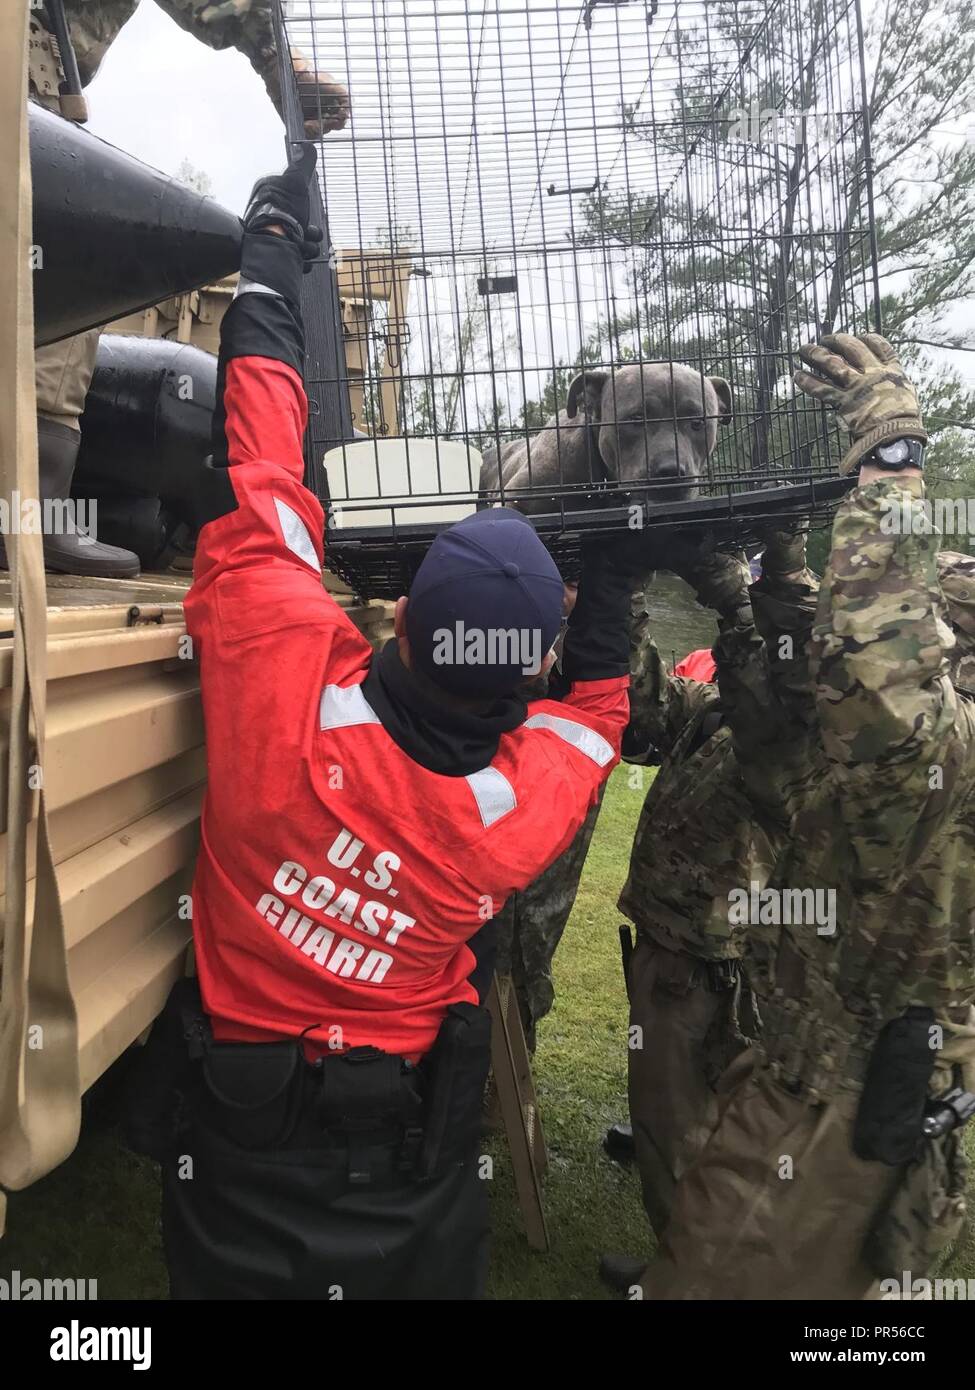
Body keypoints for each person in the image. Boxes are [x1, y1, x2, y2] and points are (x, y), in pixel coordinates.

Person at [157, 146, 634, 1300]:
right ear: (523, 682)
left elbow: (261, 470)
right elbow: (600, 706)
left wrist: (269, 274)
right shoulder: (516, 815)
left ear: (404, 616)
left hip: (239, 1115)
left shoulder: (283, 670)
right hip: (404, 1136)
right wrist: (619, 568)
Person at [640, 334, 975, 1300]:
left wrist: (892, 455)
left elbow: (871, 667)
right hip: (833, 1075)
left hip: (839, 1104)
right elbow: (809, 674)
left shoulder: (936, 758)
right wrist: (768, 571)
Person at [26, 0, 349, 577]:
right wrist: (278, 64)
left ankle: (30, 506)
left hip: (36, 77)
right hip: (24, 71)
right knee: (58, 266)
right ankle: (29, 510)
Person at [599, 525, 819, 1292]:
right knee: (697, 1124)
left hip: (709, 962)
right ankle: (692, 1266)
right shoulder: (719, 710)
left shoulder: (791, 734)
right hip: (678, 946)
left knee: (681, 1130)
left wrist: (737, 600)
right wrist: (619, 603)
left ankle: (689, 1280)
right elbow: (640, 717)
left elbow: (782, 690)